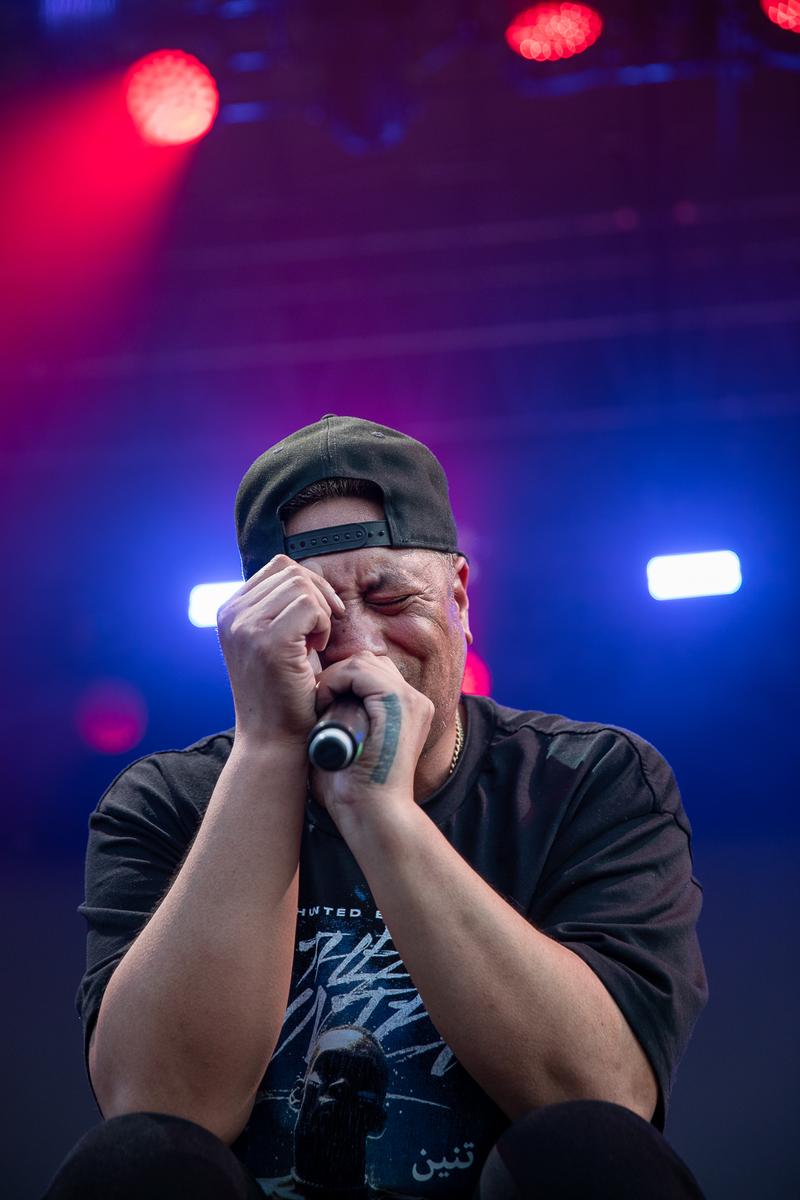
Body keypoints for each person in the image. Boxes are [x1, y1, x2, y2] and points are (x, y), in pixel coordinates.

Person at [44, 414, 709, 1199]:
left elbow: (602, 1098)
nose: (359, 647)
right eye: (314, 619)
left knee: (592, 1149)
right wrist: (267, 751)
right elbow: (155, 1113)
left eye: (392, 597)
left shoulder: (588, 779)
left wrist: (379, 811)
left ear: (459, 596)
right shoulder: (166, 803)